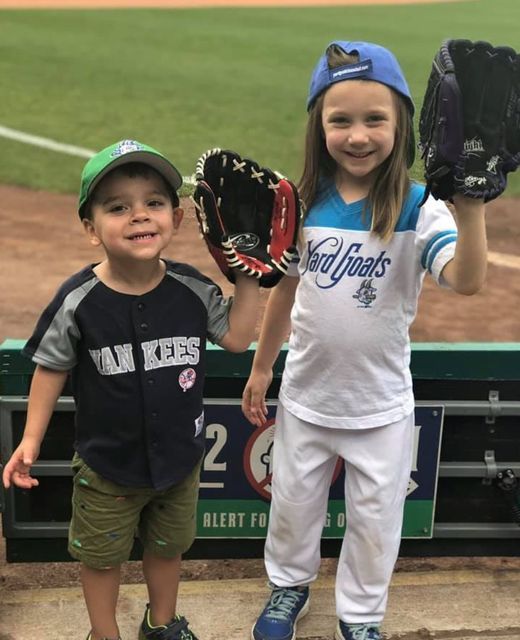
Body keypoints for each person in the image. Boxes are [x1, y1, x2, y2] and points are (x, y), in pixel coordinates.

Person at [241, 41, 488, 640]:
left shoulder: (419, 206)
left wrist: (473, 205)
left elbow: (468, 281)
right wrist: (261, 368)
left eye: (375, 119)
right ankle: (289, 586)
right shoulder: (298, 205)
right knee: (294, 506)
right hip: (306, 396)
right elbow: (282, 292)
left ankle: (360, 614)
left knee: (376, 521)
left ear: (401, 124)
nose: (358, 135)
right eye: (340, 120)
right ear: (317, 126)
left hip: (379, 405)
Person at [2, 139, 260, 640]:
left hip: (180, 461)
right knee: (101, 558)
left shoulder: (193, 288)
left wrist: (247, 274)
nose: (139, 215)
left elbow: (235, 338)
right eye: (118, 207)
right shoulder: (78, 301)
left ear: (178, 219)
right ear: (90, 229)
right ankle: (105, 632)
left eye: (154, 203)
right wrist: (31, 439)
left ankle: (161, 623)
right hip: (107, 466)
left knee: (167, 548)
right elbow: (51, 368)